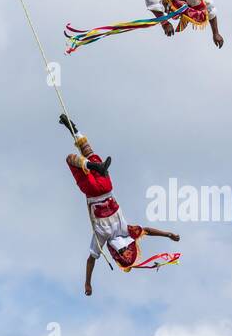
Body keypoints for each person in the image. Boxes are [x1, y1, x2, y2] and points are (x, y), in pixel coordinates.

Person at [58, 114, 179, 295]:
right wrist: (87, 283)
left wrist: (168, 234)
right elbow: (91, 260)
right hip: (93, 191)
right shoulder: (103, 237)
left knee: (89, 152)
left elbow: (147, 230)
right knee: (71, 159)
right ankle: (91, 164)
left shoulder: (126, 230)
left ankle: (74, 129)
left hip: (107, 185)